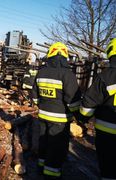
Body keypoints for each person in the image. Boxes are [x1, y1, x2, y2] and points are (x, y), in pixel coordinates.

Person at [32, 42, 81, 179]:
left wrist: (41, 106)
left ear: (50, 54)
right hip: (60, 119)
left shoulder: (41, 72)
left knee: (44, 142)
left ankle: (41, 166)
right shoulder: (67, 74)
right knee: (56, 147)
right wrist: (79, 116)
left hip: (43, 116)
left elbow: (34, 96)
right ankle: (51, 174)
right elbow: (73, 101)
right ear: (65, 56)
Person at [79, 38, 116, 179]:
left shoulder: (106, 77)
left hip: (108, 133)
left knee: (108, 166)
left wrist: (82, 118)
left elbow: (89, 102)